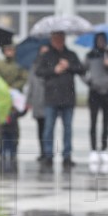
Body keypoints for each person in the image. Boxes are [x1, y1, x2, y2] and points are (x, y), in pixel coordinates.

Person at [35, 31, 85, 169]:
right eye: (56, 39)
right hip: (51, 98)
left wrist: (69, 66)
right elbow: (38, 71)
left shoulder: (71, 55)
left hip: (68, 98)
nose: (58, 41)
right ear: (52, 40)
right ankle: (48, 155)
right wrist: (54, 69)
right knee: (49, 128)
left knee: (68, 128)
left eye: (61, 39)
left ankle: (67, 156)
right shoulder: (46, 55)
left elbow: (81, 69)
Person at [82, 32, 108, 171]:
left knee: (106, 122)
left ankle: (104, 149)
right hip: (94, 92)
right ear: (95, 41)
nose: (101, 42)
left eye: (103, 40)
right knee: (93, 121)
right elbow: (81, 71)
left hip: (107, 92)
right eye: (99, 40)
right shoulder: (90, 55)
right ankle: (93, 149)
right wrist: (89, 82)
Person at [0, 44, 27, 160]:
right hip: (2, 96)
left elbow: (24, 78)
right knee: (2, 124)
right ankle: (1, 147)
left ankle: (13, 148)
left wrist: (14, 87)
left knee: (13, 124)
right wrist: (2, 88)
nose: (9, 52)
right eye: (7, 50)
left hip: (14, 97)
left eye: (11, 49)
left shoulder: (19, 64)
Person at [25, 44, 49, 160]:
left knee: (48, 128)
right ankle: (43, 151)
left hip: (49, 101)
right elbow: (31, 85)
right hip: (37, 101)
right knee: (40, 128)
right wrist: (28, 101)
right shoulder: (34, 66)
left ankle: (48, 151)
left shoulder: (51, 65)